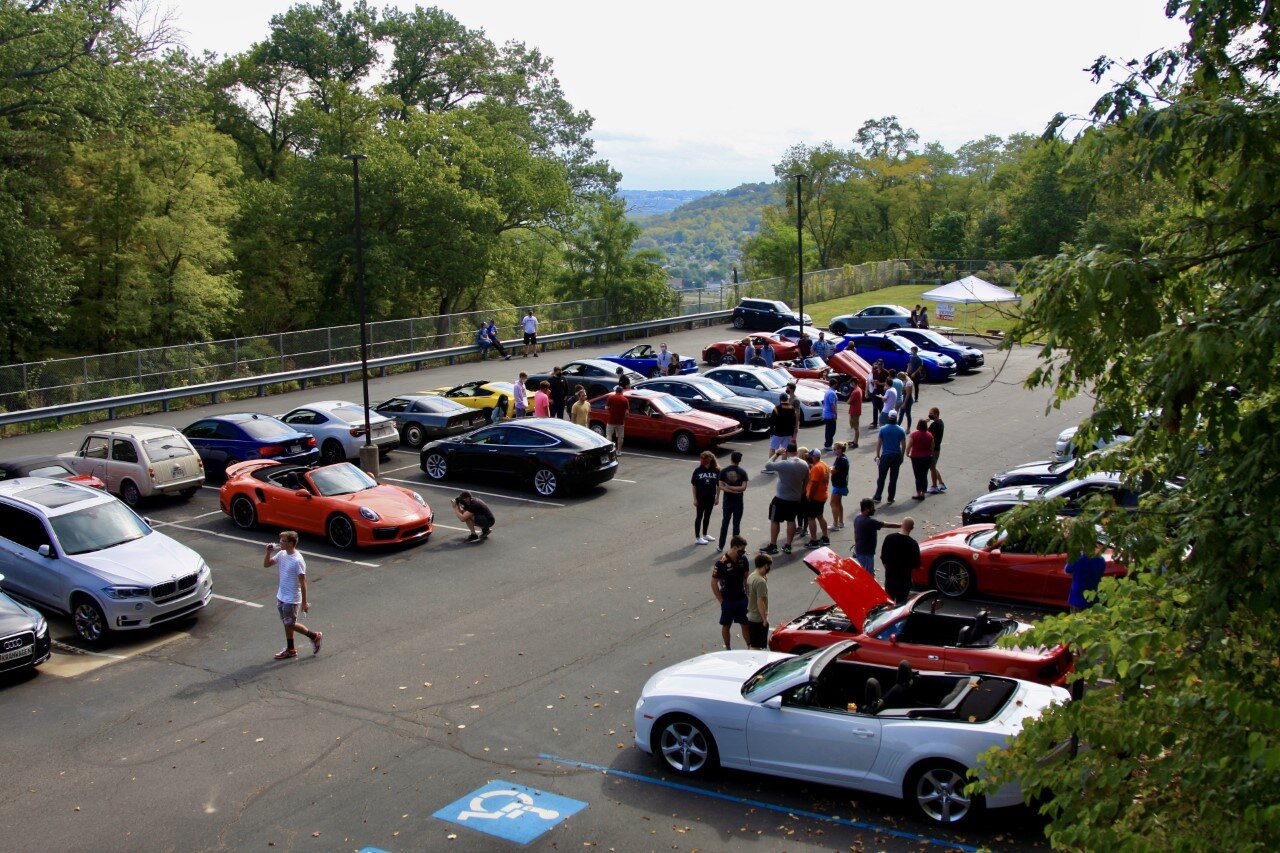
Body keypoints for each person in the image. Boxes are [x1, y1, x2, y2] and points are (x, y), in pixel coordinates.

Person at [265, 531, 320, 660]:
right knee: (286, 622)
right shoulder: (282, 554)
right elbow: (266, 565)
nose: (280, 543)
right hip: (281, 596)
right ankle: (291, 649)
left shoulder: (297, 560)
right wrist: (268, 552)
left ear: (291, 543)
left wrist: (304, 602)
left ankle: (314, 636)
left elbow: (303, 582)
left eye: (283, 541)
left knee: (289, 623)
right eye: (280, 540)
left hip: (292, 598)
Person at [760, 444, 808, 555]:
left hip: (781, 497)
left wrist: (777, 454)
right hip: (795, 498)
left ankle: (773, 545)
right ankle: (788, 546)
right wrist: (800, 493)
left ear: (786, 452)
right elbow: (806, 481)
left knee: (775, 520)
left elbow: (768, 465)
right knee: (791, 520)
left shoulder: (784, 463)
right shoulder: (804, 464)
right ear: (796, 452)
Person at [711, 536, 751, 650]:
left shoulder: (743, 559)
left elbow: (746, 577)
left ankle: (750, 646)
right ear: (734, 547)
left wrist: (747, 593)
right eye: (741, 550)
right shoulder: (721, 563)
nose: (743, 552)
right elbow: (713, 583)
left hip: (741, 598)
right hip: (728, 600)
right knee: (726, 625)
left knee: (745, 624)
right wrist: (721, 601)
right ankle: (728, 648)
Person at [852, 498, 901, 578]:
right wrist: (902, 525)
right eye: (872, 507)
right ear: (866, 509)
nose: (874, 509)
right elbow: (887, 525)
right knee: (868, 576)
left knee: (865, 570)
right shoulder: (869, 521)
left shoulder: (858, 517)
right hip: (866, 552)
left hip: (860, 549)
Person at [880, 517, 920, 605]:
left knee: (888, 603)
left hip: (890, 578)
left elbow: (883, 557)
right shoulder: (913, 544)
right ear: (912, 528)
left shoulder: (889, 538)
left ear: (901, 525)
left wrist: (888, 569)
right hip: (904, 580)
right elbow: (916, 564)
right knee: (901, 605)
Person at [717, 450, 749, 550]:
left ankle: (720, 546)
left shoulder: (724, 471)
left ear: (731, 459)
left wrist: (729, 488)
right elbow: (743, 487)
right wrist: (735, 490)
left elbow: (720, 486)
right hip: (738, 502)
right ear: (740, 460)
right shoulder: (743, 472)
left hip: (727, 502)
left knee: (725, 524)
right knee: (736, 525)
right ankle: (735, 547)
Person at [873, 412, 906, 504]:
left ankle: (878, 496)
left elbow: (879, 443)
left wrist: (877, 454)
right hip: (896, 456)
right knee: (893, 478)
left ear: (888, 418)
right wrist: (902, 456)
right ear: (896, 418)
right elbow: (903, 445)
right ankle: (890, 498)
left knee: (881, 477)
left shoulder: (883, 429)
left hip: (885, 456)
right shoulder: (901, 430)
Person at [803, 448, 831, 547]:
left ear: (815, 457)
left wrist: (810, 497)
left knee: (811, 518)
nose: (809, 457)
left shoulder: (816, 468)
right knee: (820, 516)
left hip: (815, 497)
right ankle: (825, 537)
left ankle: (814, 540)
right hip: (823, 495)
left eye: (810, 456)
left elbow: (814, 484)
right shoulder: (824, 464)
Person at [691, 451, 720, 545]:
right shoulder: (698, 470)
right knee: (699, 516)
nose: (702, 460)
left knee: (707, 516)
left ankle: (705, 534)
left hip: (711, 497)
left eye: (704, 458)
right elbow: (694, 485)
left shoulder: (716, 470)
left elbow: (718, 485)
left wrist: (717, 497)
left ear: (710, 459)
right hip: (700, 498)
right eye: (701, 458)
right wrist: (695, 499)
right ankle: (697, 537)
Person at [764, 393, 798, 468]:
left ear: (780, 399)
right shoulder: (792, 409)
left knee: (772, 448)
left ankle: (770, 466)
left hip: (777, 433)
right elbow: (794, 422)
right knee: (785, 450)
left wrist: (771, 431)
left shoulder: (777, 408)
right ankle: (783, 466)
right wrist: (793, 434)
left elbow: (772, 422)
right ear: (787, 399)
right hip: (788, 434)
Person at [746, 554, 771, 650]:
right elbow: (760, 601)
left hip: (751, 615)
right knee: (757, 648)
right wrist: (764, 619)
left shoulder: (752, 576)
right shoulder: (760, 581)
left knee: (754, 644)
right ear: (766, 565)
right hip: (758, 618)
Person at [906, 418, 935, 500]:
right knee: (924, 475)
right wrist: (930, 453)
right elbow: (932, 446)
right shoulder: (929, 435)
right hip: (927, 457)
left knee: (918, 476)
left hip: (916, 458)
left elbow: (909, 445)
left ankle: (919, 493)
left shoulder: (914, 434)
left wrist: (907, 453)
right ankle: (923, 493)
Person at [829, 442, 850, 530]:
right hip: (841, 484)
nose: (834, 451)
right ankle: (840, 522)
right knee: (838, 503)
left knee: (833, 503)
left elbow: (833, 470)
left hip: (838, 485)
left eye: (835, 449)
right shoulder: (842, 458)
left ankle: (835, 524)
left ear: (840, 449)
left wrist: (830, 468)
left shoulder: (841, 459)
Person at [927, 407, 947, 493]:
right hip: (937, 448)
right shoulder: (940, 422)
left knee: (932, 467)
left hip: (934, 449)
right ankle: (941, 483)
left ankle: (934, 486)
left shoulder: (935, 424)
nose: (930, 415)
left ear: (936, 414)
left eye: (931, 413)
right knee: (933, 467)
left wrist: (924, 423)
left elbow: (927, 434)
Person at [605, 385, 629, 453]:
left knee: (609, 435)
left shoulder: (610, 397)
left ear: (616, 391)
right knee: (620, 437)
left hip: (611, 420)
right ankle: (619, 451)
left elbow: (606, 407)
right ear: (622, 391)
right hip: (620, 421)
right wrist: (625, 418)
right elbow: (627, 412)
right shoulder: (625, 399)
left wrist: (610, 410)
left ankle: (609, 450)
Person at [821, 377, 839, 451]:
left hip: (826, 414)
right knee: (831, 430)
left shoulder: (828, 391)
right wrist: (835, 414)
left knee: (828, 430)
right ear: (834, 384)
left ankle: (828, 444)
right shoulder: (832, 393)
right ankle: (828, 445)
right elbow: (832, 405)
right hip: (830, 414)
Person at [847, 379, 862, 448]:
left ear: (853, 382)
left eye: (851, 382)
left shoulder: (855, 391)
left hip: (854, 411)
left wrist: (848, 401)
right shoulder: (859, 389)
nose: (850, 384)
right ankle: (854, 441)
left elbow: (849, 401)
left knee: (856, 428)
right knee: (855, 427)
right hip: (856, 410)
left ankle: (856, 443)